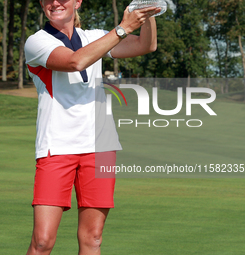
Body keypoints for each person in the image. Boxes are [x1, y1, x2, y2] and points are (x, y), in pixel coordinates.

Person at [24, 0, 160, 254]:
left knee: (93, 238)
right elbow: (76, 61)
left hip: (100, 147)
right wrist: (122, 29)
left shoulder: (95, 36)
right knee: (42, 241)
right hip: (57, 148)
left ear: (77, 2)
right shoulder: (37, 41)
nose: (55, 3)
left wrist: (146, 12)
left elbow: (146, 45)